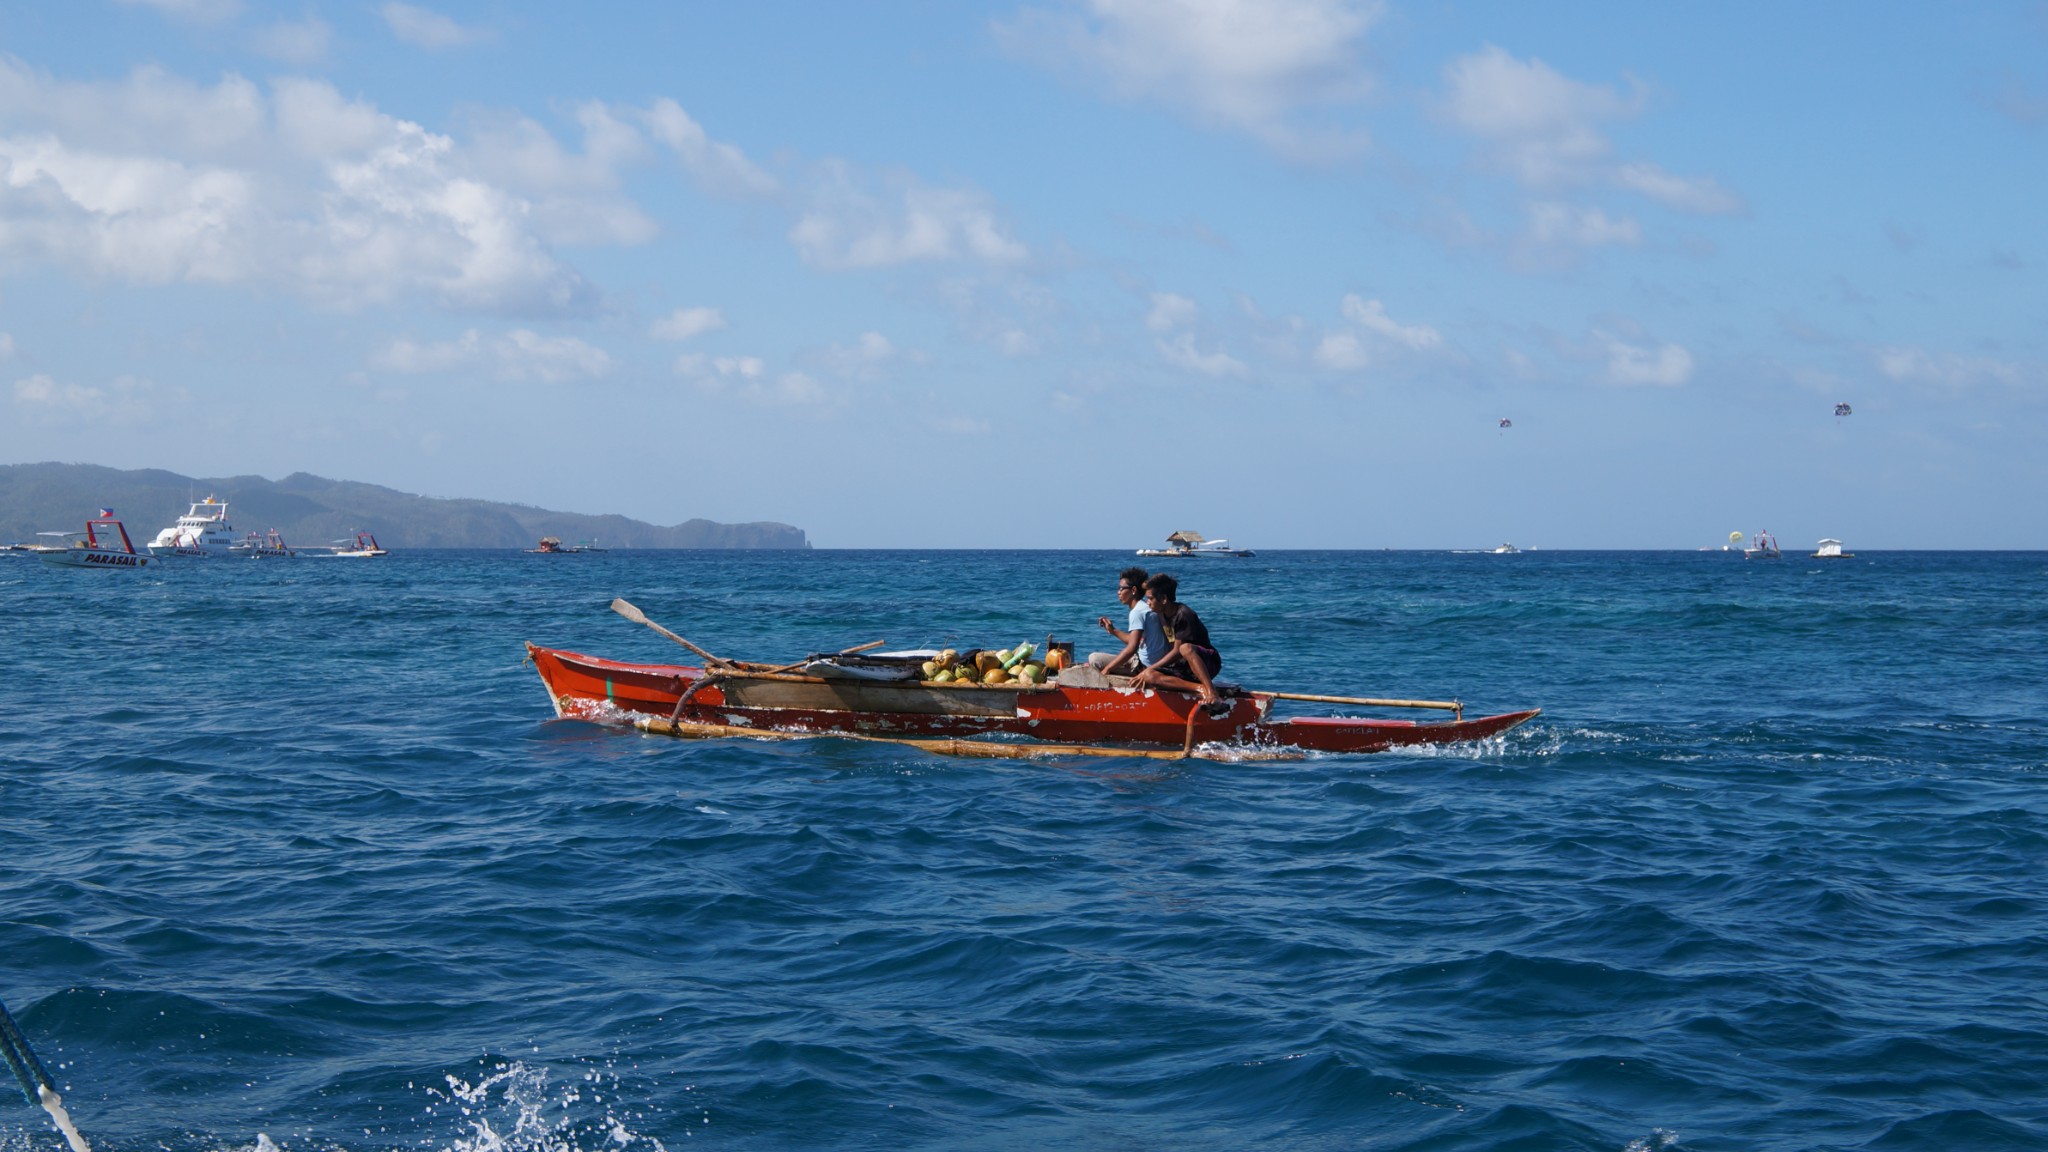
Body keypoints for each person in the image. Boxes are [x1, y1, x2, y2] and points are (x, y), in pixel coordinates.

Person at [1132, 572, 1225, 708]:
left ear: (1164, 599)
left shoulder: (1184, 614)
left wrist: (1151, 666)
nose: (1148, 602)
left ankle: (1211, 692)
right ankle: (1199, 688)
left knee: (1185, 648)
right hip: (1184, 667)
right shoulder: (1161, 614)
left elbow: (1177, 651)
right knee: (1149, 675)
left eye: (1151, 599)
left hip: (1207, 662)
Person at [1089, 566, 1167, 675]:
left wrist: (1107, 669)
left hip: (1143, 666)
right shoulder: (1144, 607)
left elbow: (1132, 648)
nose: (1118, 592)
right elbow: (1135, 640)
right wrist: (1113, 631)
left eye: (1121, 588)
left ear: (1133, 590)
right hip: (1154, 663)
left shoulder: (1137, 612)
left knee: (1094, 659)